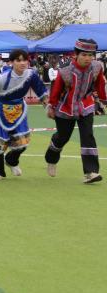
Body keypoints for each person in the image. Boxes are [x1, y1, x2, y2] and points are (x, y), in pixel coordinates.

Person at [0, 48, 48, 180]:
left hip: (20, 110)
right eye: (18, 60)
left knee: (22, 141)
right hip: (0, 110)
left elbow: (41, 91)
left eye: (25, 60)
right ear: (11, 62)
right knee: (0, 142)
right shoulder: (2, 77)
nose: (22, 63)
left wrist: (49, 108)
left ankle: (11, 161)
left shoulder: (31, 75)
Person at [45, 38, 105, 184]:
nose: (87, 58)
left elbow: (100, 84)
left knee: (88, 136)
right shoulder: (65, 71)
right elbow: (56, 90)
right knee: (62, 137)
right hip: (65, 109)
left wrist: (104, 100)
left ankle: (90, 172)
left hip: (86, 106)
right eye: (84, 55)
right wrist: (51, 106)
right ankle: (51, 159)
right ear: (76, 55)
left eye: (90, 55)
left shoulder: (97, 67)